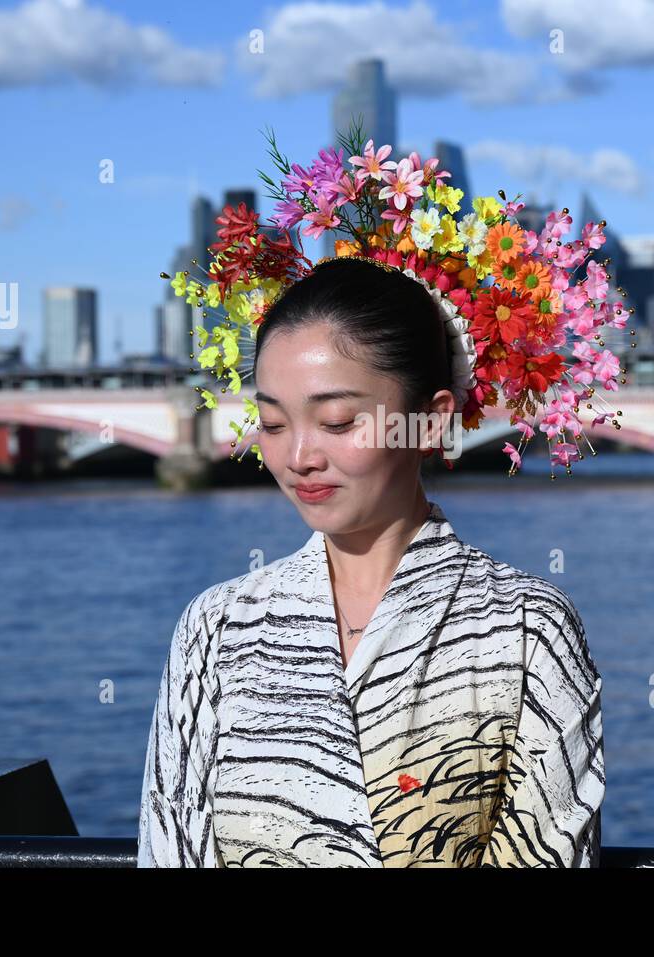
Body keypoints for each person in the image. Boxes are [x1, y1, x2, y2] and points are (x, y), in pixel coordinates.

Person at [137, 255, 606, 867]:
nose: (298, 456)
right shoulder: (217, 628)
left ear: (430, 420)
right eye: (274, 422)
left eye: (336, 421)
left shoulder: (527, 629)